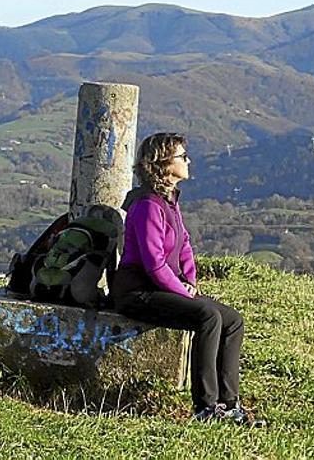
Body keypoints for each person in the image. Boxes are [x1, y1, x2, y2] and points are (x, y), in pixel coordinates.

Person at [110, 132, 263, 426]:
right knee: (207, 316)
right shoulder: (146, 206)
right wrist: (184, 292)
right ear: (163, 164)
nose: (187, 160)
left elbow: (185, 244)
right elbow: (153, 264)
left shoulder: (169, 201)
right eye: (182, 156)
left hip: (162, 286)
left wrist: (189, 280)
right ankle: (205, 407)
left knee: (232, 320)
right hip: (137, 291)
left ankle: (228, 404)